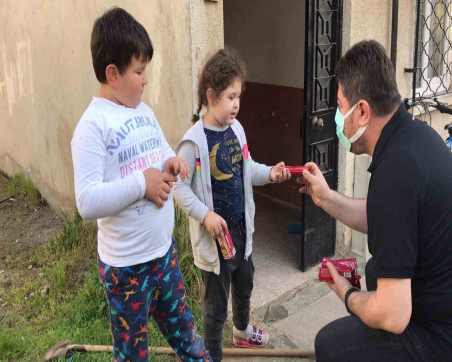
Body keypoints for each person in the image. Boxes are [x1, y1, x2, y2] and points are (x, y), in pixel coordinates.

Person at [71, 7, 210, 362]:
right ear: (112, 73)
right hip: (126, 270)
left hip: (163, 256)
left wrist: (172, 161)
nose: (145, 79)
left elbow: (159, 150)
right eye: (139, 71)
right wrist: (141, 183)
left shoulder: (142, 112)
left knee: (191, 343)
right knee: (133, 355)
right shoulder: (92, 126)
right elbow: (86, 201)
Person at [299, 40, 452, 362]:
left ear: (363, 111)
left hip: (435, 334)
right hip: (438, 309)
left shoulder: (396, 173)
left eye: (341, 107)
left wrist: (347, 293)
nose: (338, 119)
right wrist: (326, 198)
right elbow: (385, 215)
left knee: (331, 345)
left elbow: (392, 315)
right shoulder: (417, 138)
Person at [173, 49, 290, 361]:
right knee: (215, 305)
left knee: (244, 284)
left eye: (239, 96)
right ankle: (211, 354)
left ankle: (241, 332)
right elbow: (178, 189)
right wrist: (205, 215)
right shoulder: (193, 142)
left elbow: (247, 168)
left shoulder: (237, 130)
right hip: (214, 242)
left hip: (240, 231)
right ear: (211, 96)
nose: (237, 104)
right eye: (230, 96)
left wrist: (271, 174)